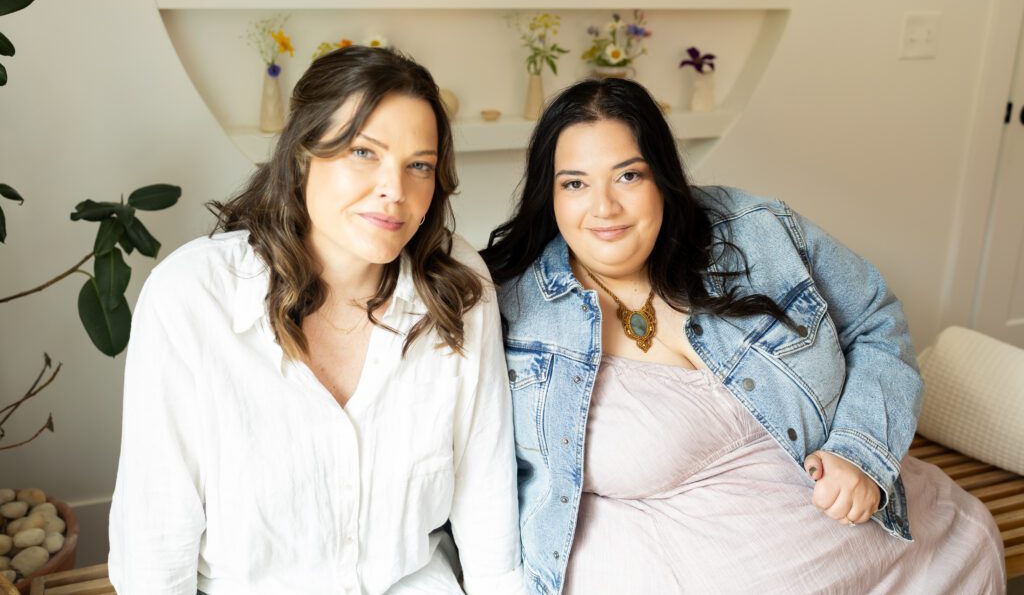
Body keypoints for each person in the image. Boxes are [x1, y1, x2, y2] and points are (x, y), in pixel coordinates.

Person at [481, 78, 1005, 594]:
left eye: (628, 176)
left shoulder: (756, 229)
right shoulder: (508, 308)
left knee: (974, 537)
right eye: (575, 183)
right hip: (687, 564)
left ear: (663, 176)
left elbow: (874, 320)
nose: (604, 208)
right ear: (548, 194)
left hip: (893, 545)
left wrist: (861, 452)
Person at [109, 46, 525, 595]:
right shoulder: (191, 299)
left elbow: (485, 492)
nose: (394, 191)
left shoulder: (457, 284)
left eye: (419, 165)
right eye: (362, 152)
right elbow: (155, 541)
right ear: (302, 154)